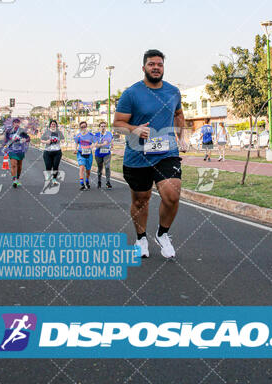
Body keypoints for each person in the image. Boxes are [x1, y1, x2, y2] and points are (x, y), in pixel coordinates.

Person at [113, 49, 187, 260]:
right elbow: (117, 124)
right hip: (138, 155)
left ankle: (163, 234)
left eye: (159, 64)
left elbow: (179, 113)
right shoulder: (131, 93)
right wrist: (135, 129)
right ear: (143, 67)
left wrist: (181, 137)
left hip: (166, 151)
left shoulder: (173, 92)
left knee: (172, 195)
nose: (156, 67)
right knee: (141, 200)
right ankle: (141, 238)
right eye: (151, 64)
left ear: (163, 67)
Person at [3, 118, 30, 188]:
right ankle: (14, 179)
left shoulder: (22, 131)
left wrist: (25, 139)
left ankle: (17, 178)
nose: (16, 124)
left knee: (19, 166)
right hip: (12, 150)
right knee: (13, 164)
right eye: (15, 122)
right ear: (13, 124)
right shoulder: (9, 131)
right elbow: (6, 140)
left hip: (20, 150)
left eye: (18, 123)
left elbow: (28, 138)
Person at [41, 120, 64, 187]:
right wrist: (46, 142)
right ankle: (48, 176)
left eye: (54, 124)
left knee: (55, 166)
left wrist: (62, 141)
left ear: (56, 125)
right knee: (48, 166)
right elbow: (41, 140)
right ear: (50, 125)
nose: (53, 125)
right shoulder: (46, 132)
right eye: (52, 124)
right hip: (47, 151)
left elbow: (63, 139)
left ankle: (54, 179)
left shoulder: (59, 132)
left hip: (57, 151)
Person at [74, 121, 95, 190]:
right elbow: (76, 143)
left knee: (88, 170)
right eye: (81, 127)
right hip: (81, 153)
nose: (83, 128)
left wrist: (91, 147)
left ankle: (87, 180)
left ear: (86, 127)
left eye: (84, 127)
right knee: (82, 167)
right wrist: (75, 149)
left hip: (89, 154)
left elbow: (94, 142)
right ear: (80, 128)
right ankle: (82, 183)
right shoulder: (78, 135)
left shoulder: (90, 135)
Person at [94, 121, 113, 189]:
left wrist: (111, 146)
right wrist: (103, 144)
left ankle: (108, 182)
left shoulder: (109, 134)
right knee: (100, 168)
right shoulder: (96, 135)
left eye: (104, 126)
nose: (103, 127)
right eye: (102, 126)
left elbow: (112, 143)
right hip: (98, 154)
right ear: (99, 127)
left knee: (107, 166)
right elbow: (95, 145)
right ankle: (99, 181)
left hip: (107, 154)